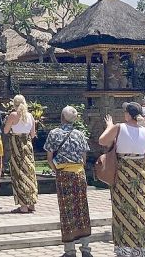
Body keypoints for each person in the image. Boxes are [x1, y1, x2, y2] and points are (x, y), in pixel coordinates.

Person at [98, 102, 145, 257]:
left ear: (128, 115)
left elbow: (102, 141)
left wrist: (109, 126)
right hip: (140, 172)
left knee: (122, 208)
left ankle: (125, 248)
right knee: (142, 207)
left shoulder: (119, 127)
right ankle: (143, 247)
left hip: (123, 172)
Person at [45, 106, 92, 257]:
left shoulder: (54, 133)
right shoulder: (80, 134)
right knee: (82, 209)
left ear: (62, 118)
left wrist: (56, 170)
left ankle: (70, 250)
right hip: (79, 174)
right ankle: (86, 248)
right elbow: (84, 158)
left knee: (67, 211)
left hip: (63, 175)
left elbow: (49, 158)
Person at [4, 94, 38, 214]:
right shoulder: (30, 116)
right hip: (27, 145)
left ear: (14, 104)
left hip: (16, 145)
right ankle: (32, 204)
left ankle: (23, 206)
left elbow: (6, 131)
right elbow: (33, 134)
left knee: (19, 173)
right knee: (30, 172)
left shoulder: (13, 115)